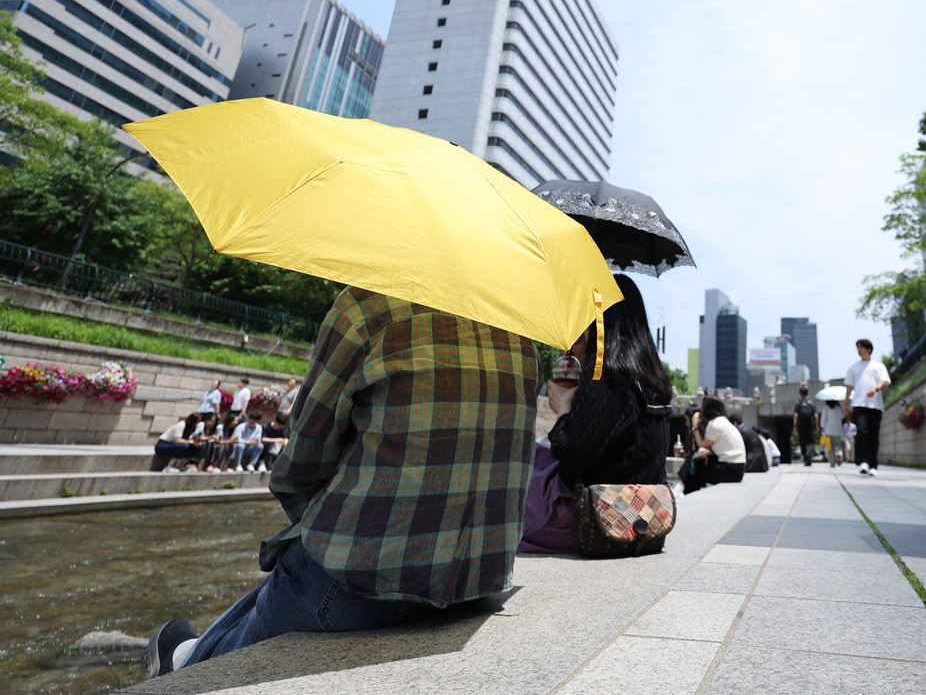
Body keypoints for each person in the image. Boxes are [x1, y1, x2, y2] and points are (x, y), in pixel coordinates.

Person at [146, 286, 538, 677]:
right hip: (478, 584)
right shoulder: (520, 334)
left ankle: (184, 662)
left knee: (297, 564)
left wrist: (319, 519)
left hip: (363, 587)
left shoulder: (367, 308)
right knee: (288, 573)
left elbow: (301, 461)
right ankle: (193, 649)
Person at [518, 274, 674, 554]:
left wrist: (563, 407)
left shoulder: (609, 375)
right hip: (640, 516)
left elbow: (572, 455)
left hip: (594, 516)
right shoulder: (652, 378)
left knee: (510, 486)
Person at [680, 397, 746, 494]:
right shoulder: (723, 421)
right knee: (696, 462)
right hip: (737, 469)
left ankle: (685, 490)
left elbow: (702, 446)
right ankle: (685, 489)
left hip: (730, 470)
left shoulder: (714, 424)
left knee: (695, 463)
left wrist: (695, 425)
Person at [844, 338, 890, 476]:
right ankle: (863, 461)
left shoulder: (878, 366)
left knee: (873, 435)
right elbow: (849, 385)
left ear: (868, 349)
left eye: (861, 348)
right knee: (862, 432)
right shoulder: (854, 367)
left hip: (875, 405)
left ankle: (873, 465)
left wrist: (875, 389)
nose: (859, 350)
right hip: (859, 404)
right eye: (857, 348)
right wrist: (846, 403)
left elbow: (885, 381)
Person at [792, 385, 819, 466]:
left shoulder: (798, 403)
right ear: (807, 393)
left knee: (803, 441)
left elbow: (796, 415)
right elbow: (816, 415)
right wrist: (817, 426)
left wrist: (795, 426)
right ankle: (809, 456)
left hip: (801, 425)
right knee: (810, 442)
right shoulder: (811, 403)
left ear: (800, 393)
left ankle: (805, 457)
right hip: (810, 425)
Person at [820, 399, 846, 467]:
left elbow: (823, 418)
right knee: (837, 444)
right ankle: (839, 453)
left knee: (830, 448)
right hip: (838, 430)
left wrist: (822, 426)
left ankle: (832, 463)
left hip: (828, 430)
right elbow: (842, 417)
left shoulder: (825, 407)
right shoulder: (839, 407)